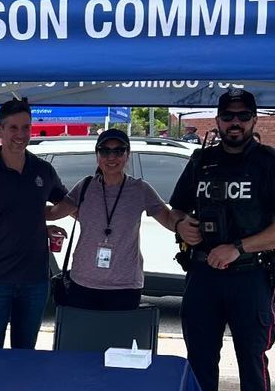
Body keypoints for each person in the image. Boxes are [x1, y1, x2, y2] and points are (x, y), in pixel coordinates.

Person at [168, 89, 275, 391]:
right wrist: (181, 225)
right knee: (199, 363)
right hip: (203, 277)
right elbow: (174, 210)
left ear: (254, 121)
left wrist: (239, 247)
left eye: (243, 116)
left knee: (252, 363)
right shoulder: (201, 162)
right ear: (217, 119)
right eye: (228, 116)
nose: (235, 122)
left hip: (249, 277)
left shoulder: (268, 163)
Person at [0, 99, 68, 348]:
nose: (21, 135)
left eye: (26, 128)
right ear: (0, 130)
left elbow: (63, 205)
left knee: (25, 353)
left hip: (36, 281)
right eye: (13, 128)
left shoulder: (42, 170)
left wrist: (43, 221)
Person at [45, 129, 181, 310]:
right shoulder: (85, 186)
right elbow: (55, 212)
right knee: (83, 338)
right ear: (97, 155)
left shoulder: (140, 190)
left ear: (127, 155)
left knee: (117, 338)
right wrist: (18, 211)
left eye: (118, 151)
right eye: (105, 151)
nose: (111, 157)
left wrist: (186, 224)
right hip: (83, 283)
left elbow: (170, 220)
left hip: (124, 286)